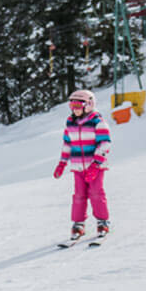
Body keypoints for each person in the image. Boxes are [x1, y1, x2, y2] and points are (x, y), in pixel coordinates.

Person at [56, 88, 111, 244]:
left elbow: (105, 143)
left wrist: (96, 163)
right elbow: (67, 143)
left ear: (88, 104)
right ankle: (78, 225)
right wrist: (62, 162)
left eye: (78, 105)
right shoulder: (70, 122)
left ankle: (103, 222)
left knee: (96, 193)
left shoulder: (98, 121)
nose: (74, 109)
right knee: (79, 195)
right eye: (72, 105)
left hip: (95, 166)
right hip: (78, 166)